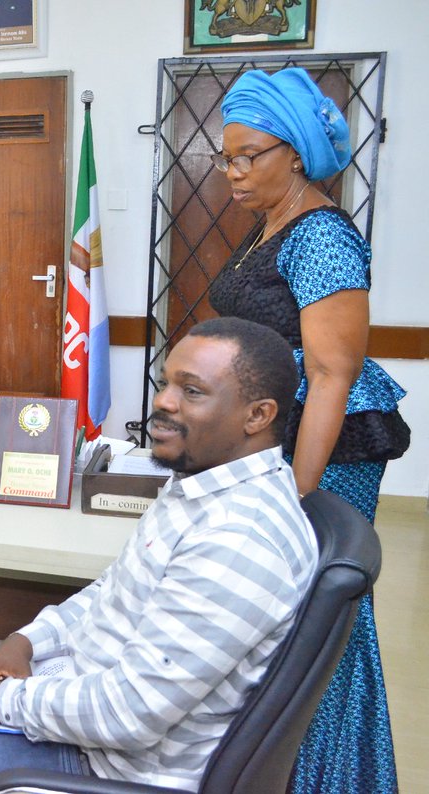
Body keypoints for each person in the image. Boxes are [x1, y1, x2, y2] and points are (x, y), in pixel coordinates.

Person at [0, 318, 319, 793]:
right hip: (86, 685)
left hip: (111, 765)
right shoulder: (202, 481)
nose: (163, 402)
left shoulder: (239, 539)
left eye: (191, 391)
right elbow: (111, 592)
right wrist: (21, 644)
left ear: (258, 415)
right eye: (166, 383)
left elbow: (129, 714)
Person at [210, 67, 409, 793]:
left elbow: (331, 375)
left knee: (325, 626)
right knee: (283, 621)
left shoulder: (323, 235)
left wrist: (293, 493)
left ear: (292, 152)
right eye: (225, 157)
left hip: (329, 445)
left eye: (248, 156)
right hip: (281, 436)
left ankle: (335, 780)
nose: (232, 171)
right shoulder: (271, 226)